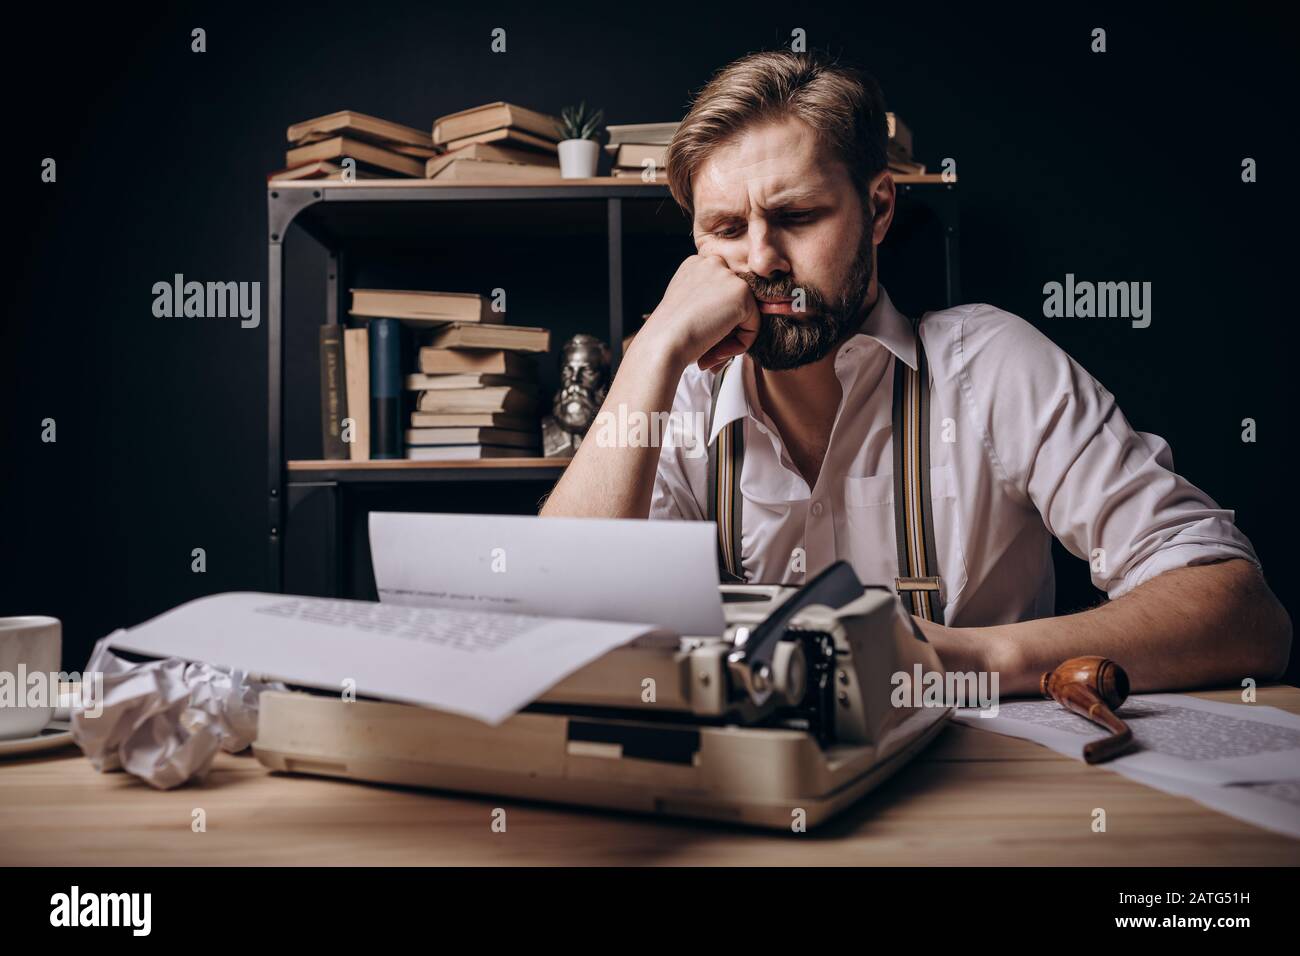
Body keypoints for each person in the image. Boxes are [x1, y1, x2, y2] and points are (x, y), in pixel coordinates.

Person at [541, 49, 1291, 695]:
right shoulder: (676, 396)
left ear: (878, 209)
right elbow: (551, 630)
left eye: (797, 217)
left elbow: (1242, 614)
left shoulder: (994, 370)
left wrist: (971, 655)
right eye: (727, 230)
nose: (762, 260)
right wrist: (651, 349)